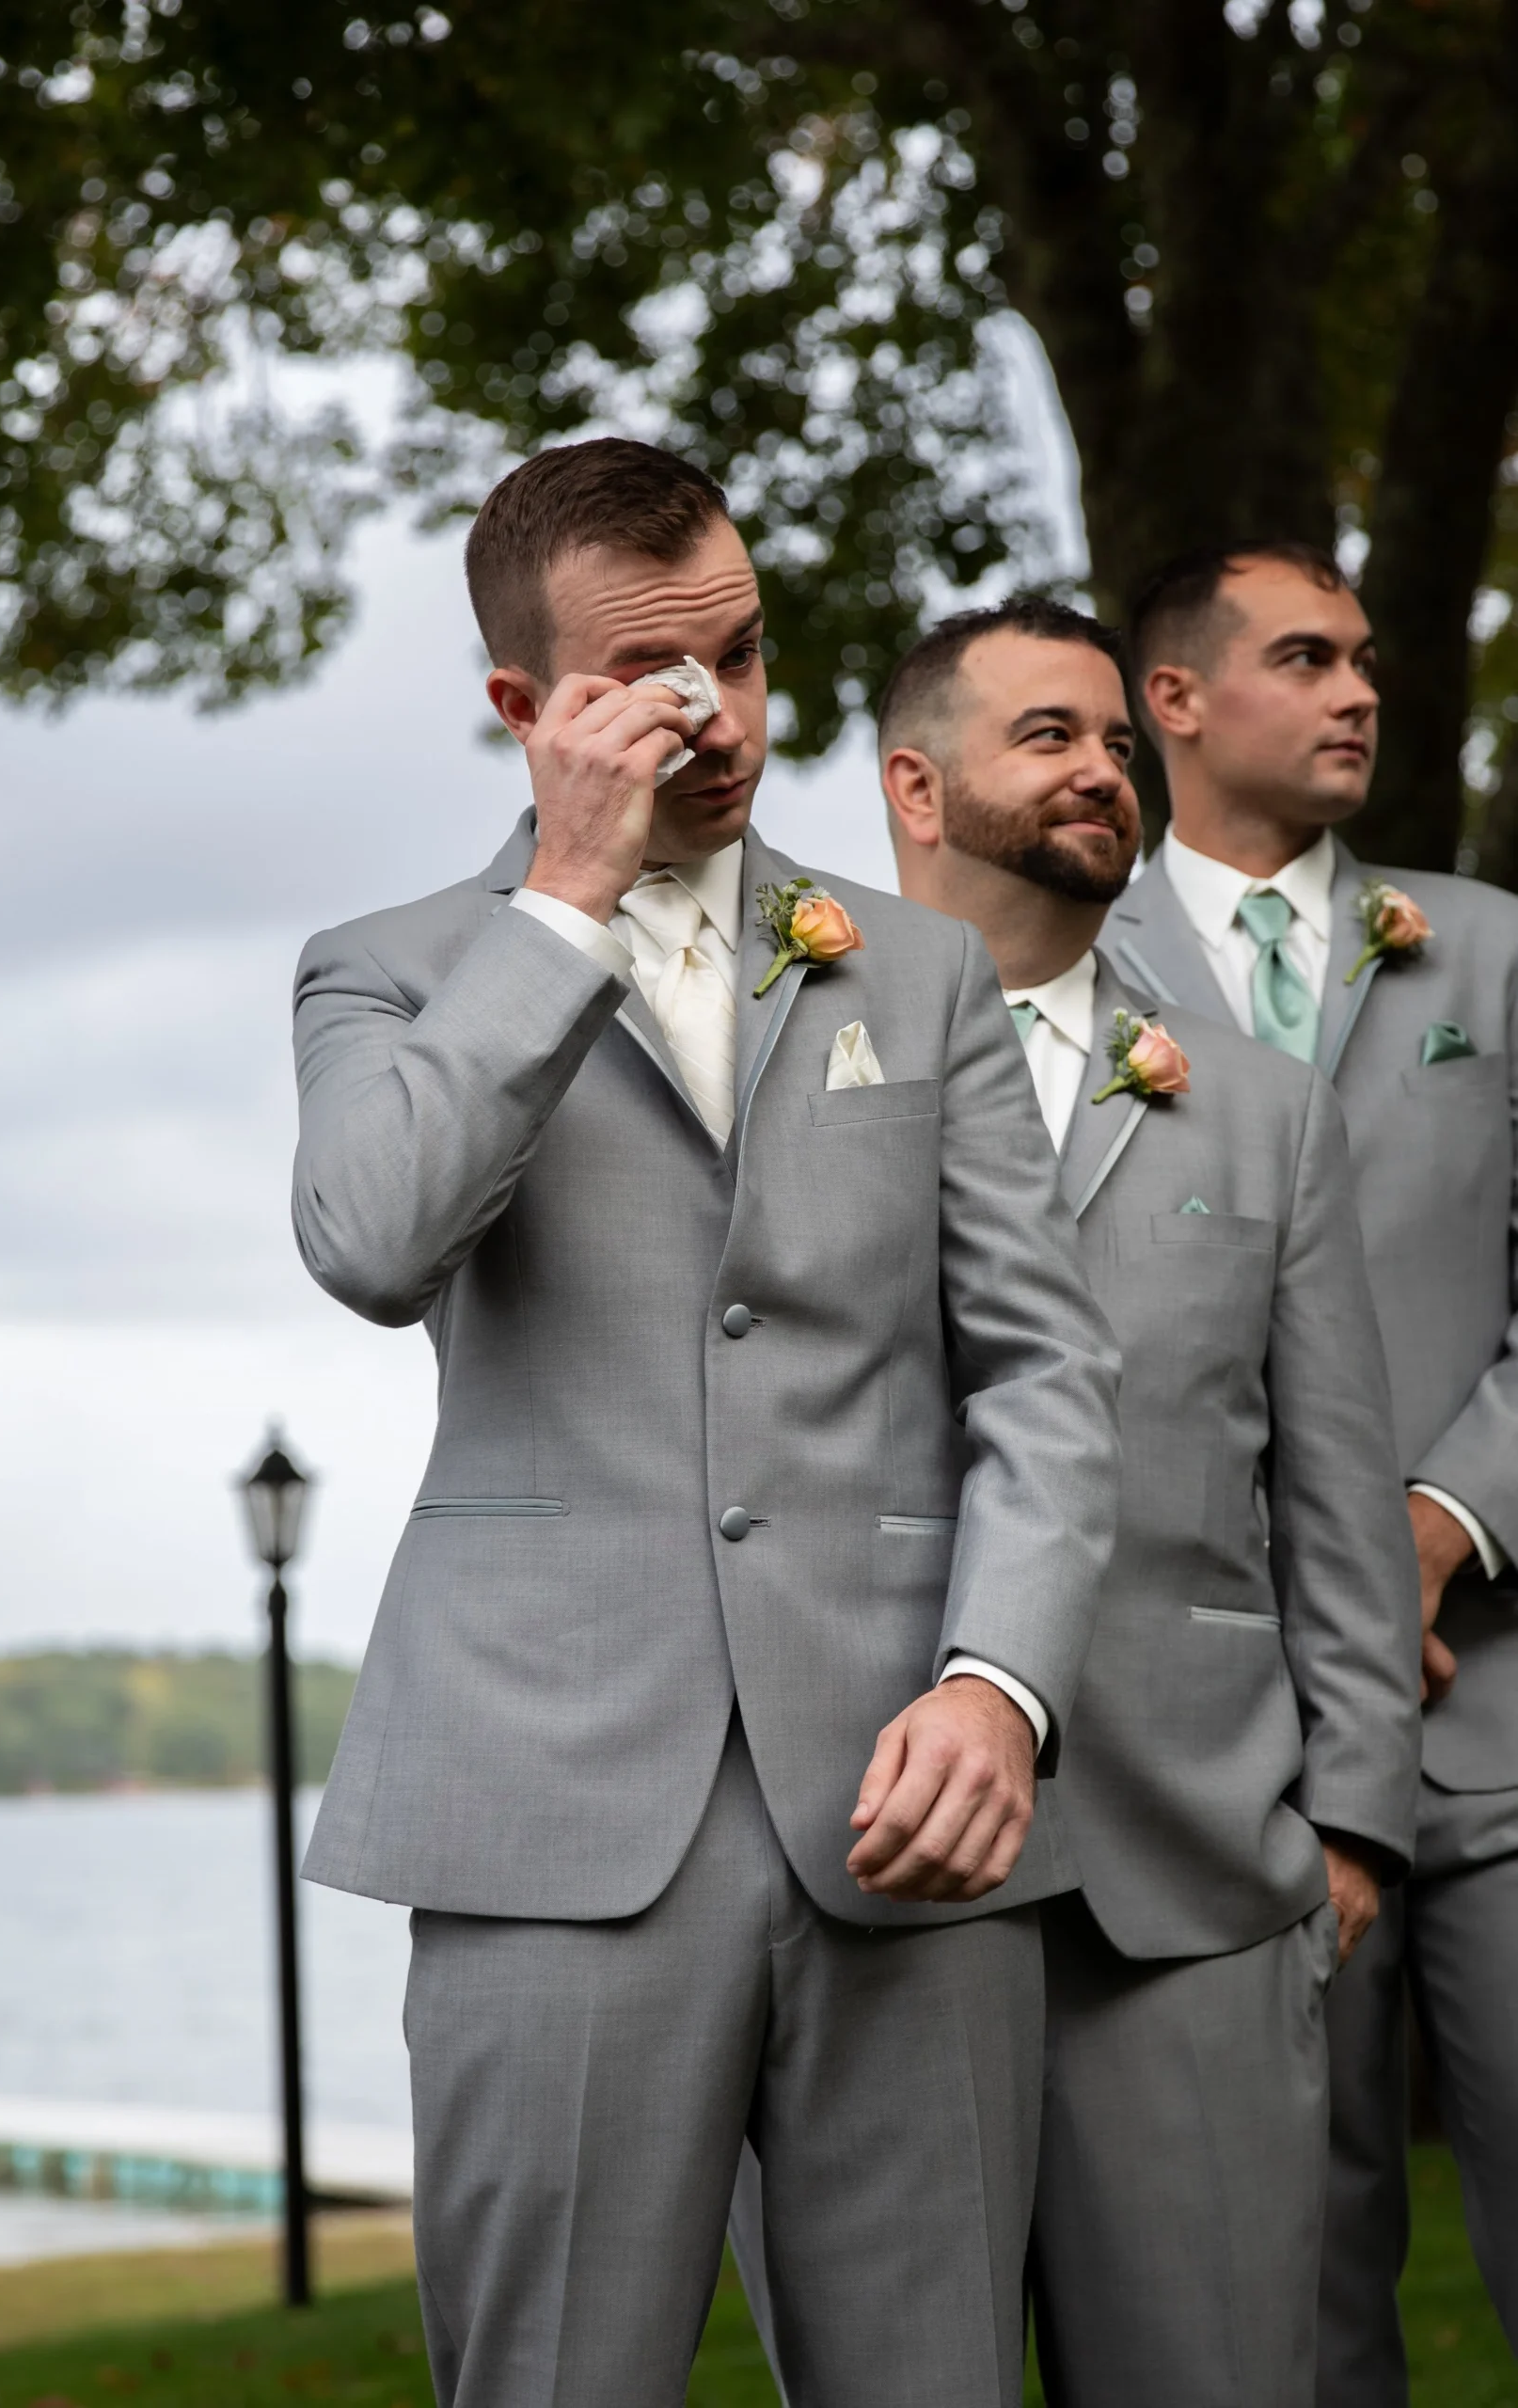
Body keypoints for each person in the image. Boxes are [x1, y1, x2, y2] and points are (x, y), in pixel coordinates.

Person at [289, 440, 1122, 2408]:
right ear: (526, 705)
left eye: (740, 654)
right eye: (654, 676)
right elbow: (372, 1242)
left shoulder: (922, 970)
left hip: (908, 1820)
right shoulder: (391, 970)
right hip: (546, 1819)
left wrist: (1000, 1687)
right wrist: (568, 895)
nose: (720, 716)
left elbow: (1043, 1371)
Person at [730, 595, 1421, 2408]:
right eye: (1047, 735)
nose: (1105, 770)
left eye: (1119, 741)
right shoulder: (754, 1065)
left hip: (1186, 1886)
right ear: (912, 786)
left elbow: (1335, 1497)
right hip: (856, 1870)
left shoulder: (1261, 1112)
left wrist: (1348, 1832)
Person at [1112, 541, 1518, 2400]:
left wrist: (1432, 1529)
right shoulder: (1061, 968)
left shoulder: (1490, 949)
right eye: (1301, 656)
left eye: (1361, 656)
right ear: (1175, 698)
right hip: (1216, 1754)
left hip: (1493, 1719)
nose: (1357, 688)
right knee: (1287, 2297)